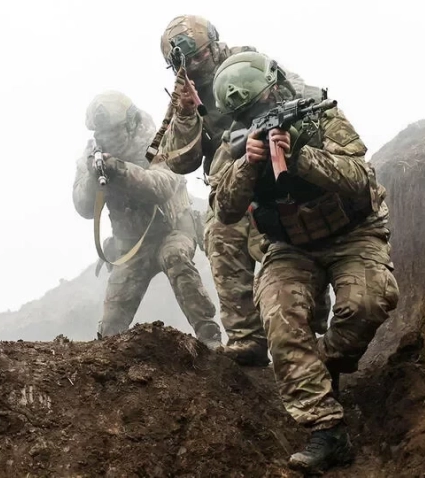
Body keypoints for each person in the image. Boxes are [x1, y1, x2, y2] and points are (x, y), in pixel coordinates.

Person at [210, 52, 400, 473]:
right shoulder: (234, 145)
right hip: (289, 246)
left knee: (368, 303)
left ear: (276, 87)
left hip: (353, 234)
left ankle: (321, 365)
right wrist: (248, 164)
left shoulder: (319, 116)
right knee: (281, 321)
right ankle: (327, 430)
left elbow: (361, 178)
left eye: (263, 103)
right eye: (249, 113)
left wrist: (299, 156)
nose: (260, 114)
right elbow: (223, 209)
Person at [157, 15, 331, 366]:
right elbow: (179, 161)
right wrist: (186, 113)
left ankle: (312, 329)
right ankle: (246, 338)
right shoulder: (185, 94)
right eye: (187, 63)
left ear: (214, 45)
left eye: (200, 56)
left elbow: (298, 93)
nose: (196, 66)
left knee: (292, 244)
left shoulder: (247, 63)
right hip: (232, 184)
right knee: (220, 235)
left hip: (278, 171)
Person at [72, 90, 222, 349]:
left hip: (173, 230)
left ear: (130, 124)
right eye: (101, 133)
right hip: (132, 246)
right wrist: (92, 178)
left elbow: (161, 187)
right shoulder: (91, 157)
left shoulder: (159, 142)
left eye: (112, 131)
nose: (107, 138)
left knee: (175, 257)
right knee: (111, 326)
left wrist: (120, 170)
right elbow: (84, 208)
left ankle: (209, 337)